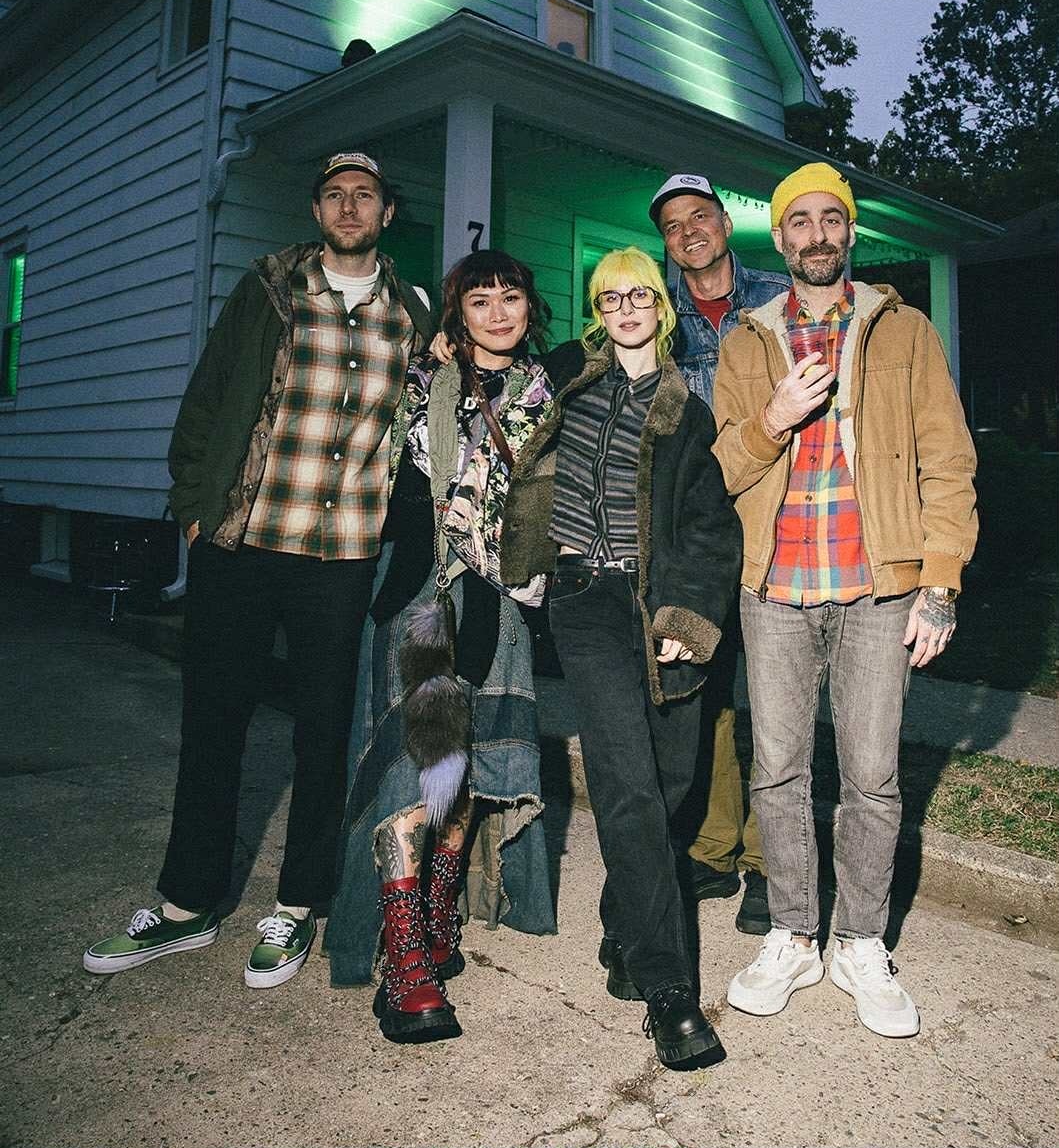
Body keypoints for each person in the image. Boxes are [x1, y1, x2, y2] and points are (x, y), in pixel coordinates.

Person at [83, 153, 434, 988]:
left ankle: (298, 902)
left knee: (323, 734)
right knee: (214, 721)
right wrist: (192, 507)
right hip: (242, 539)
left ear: (387, 213)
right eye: (335, 195)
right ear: (317, 209)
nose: (349, 206)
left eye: (365, 196)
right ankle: (187, 904)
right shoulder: (269, 289)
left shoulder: (413, 312)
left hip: (341, 552)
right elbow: (207, 397)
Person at [715, 162, 977, 1037]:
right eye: (800, 221)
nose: (816, 234)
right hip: (775, 588)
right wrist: (772, 419)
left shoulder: (902, 329)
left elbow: (948, 459)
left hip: (876, 588)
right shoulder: (748, 340)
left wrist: (939, 583)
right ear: (779, 237)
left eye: (831, 218)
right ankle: (793, 933)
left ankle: (860, 939)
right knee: (777, 770)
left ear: (849, 231)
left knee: (871, 776)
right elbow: (721, 466)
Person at [499, 247, 742, 1069]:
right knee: (626, 782)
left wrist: (687, 617)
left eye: (641, 294)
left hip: (657, 601)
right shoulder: (564, 379)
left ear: (660, 309)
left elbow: (709, 526)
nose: (627, 307)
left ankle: (624, 929)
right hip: (584, 602)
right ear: (596, 310)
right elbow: (490, 363)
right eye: (611, 297)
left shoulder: (687, 411)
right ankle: (670, 991)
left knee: (671, 781)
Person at [325, 250, 557, 1043]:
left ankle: (435, 915)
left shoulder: (545, 391)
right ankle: (403, 956)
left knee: (468, 762)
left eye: (510, 296)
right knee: (414, 760)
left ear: (529, 307)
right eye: (479, 299)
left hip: (498, 597)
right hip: (420, 593)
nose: (497, 311)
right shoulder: (421, 380)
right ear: (457, 312)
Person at [649, 172, 787, 936]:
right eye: (672, 225)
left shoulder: (776, 301)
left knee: (772, 696)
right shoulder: (655, 315)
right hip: (694, 536)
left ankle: (770, 860)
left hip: (771, 520)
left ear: (725, 223)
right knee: (708, 692)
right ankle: (714, 846)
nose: (688, 232)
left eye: (698, 216)